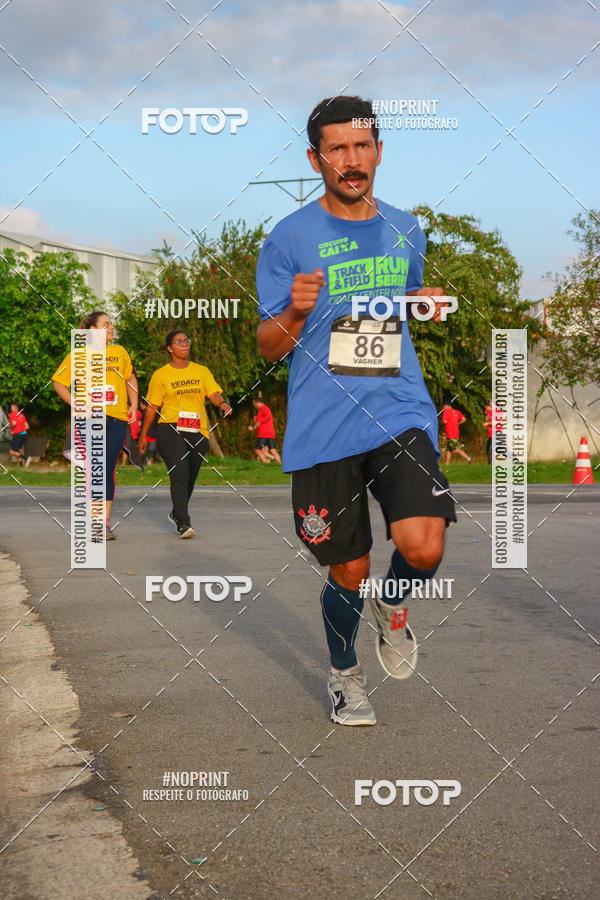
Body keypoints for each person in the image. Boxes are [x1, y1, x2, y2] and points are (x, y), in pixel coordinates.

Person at [256, 95, 456, 727]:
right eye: (337, 149)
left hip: (398, 407)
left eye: (362, 146)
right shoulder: (288, 239)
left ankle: (392, 607)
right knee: (349, 567)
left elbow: (404, 303)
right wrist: (293, 310)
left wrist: (423, 303)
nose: (352, 160)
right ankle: (344, 674)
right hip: (323, 423)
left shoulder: (406, 228)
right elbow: (267, 345)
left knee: (422, 548)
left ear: (378, 152)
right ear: (316, 159)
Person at [52, 311, 138, 540]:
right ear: (92, 330)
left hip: (117, 418)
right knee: (96, 469)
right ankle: (97, 523)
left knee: (107, 469)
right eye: (106, 324)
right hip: (89, 419)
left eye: (112, 324)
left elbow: (130, 378)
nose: (111, 328)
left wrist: (134, 403)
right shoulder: (78, 355)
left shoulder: (119, 352)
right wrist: (77, 404)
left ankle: (102, 522)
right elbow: (59, 384)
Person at [139, 329, 232, 538]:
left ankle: (175, 511)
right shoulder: (161, 375)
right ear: (170, 348)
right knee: (179, 473)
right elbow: (153, 407)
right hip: (170, 427)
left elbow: (214, 394)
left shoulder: (201, 371)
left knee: (190, 476)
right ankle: (183, 522)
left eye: (186, 341)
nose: (185, 344)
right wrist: (143, 435)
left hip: (197, 430)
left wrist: (223, 403)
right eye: (179, 342)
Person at [248, 397, 282, 464]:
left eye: (254, 404)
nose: (254, 406)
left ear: (258, 402)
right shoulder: (261, 411)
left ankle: (266, 463)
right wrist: (254, 426)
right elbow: (261, 423)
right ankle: (279, 465)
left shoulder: (263, 408)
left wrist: (258, 422)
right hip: (270, 433)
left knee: (258, 450)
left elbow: (269, 416)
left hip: (263, 434)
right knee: (272, 450)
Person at [139, 399, 158, 464]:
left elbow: (139, 424)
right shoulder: (155, 413)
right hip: (154, 435)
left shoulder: (144, 413)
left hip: (146, 435)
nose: (140, 405)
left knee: (144, 450)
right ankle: (150, 461)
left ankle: (145, 462)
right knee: (152, 451)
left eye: (141, 404)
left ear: (144, 404)